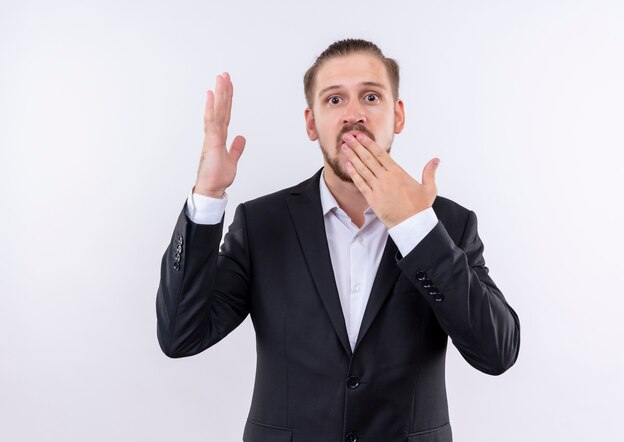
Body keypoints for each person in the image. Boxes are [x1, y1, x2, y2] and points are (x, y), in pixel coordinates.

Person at [156, 38, 520, 442]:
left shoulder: (447, 225)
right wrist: (206, 195)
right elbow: (180, 336)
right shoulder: (262, 224)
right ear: (311, 123)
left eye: (370, 96)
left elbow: (497, 353)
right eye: (334, 100)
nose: (353, 115)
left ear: (397, 115)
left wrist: (416, 229)